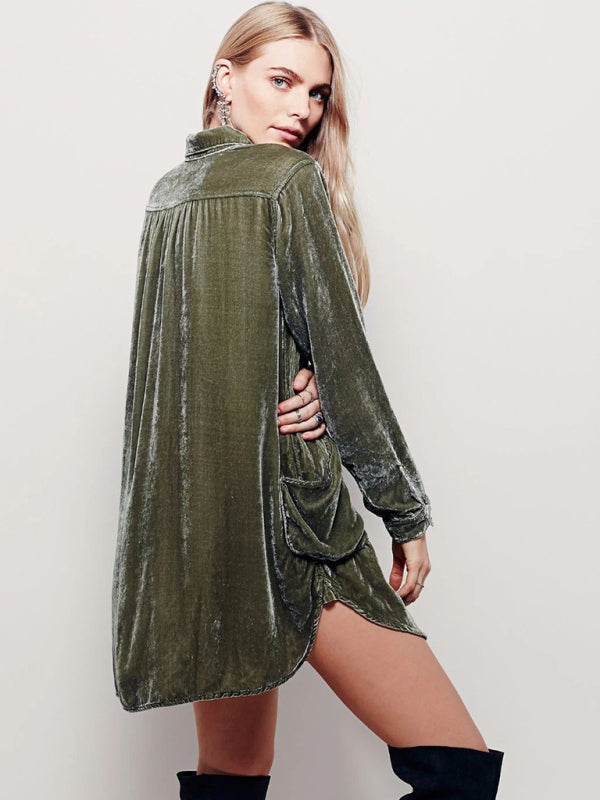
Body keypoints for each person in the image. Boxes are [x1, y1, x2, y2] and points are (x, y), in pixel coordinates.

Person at [111, 3, 505, 798]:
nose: (303, 109)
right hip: (295, 535)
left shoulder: (166, 195)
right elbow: (347, 368)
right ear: (225, 79)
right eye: (282, 81)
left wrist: (294, 373)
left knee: (230, 783)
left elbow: (178, 381)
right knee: (458, 771)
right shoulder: (286, 181)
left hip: (203, 545)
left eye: (318, 93)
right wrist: (404, 514)